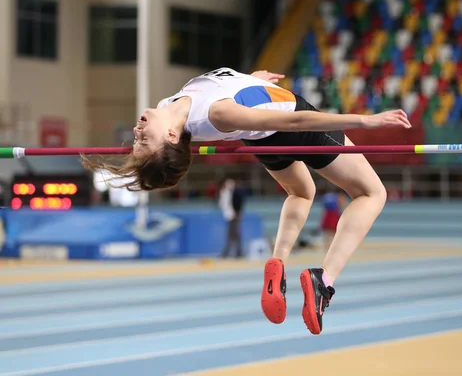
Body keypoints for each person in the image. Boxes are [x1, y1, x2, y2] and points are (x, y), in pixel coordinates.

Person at [82, 67, 411, 335]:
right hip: (291, 121)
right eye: (145, 141)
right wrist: (364, 120)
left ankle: (278, 263)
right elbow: (295, 122)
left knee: (301, 192)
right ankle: (323, 281)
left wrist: (252, 81)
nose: (137, 133)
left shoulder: (171, 103)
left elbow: (222, 86)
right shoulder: (219, 114)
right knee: (372, 193)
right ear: (170, 137)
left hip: (262, 136)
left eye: (137, 141)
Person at [218, 178, 245, 258]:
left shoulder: (235, 193)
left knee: (234, 235)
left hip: (233, 216)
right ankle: (235, 252)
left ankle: (235, 252)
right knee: (233, 235)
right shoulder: (225, 193)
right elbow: (224, 204)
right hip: (230, 216)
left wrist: (237, 213)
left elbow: (238, 203)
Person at [320, 186, 348, 251]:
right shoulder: (339, 196)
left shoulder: (326, 196)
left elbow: (323, 207)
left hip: (328, 214)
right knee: (334, 233)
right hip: (334, 214)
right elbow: (342, 206)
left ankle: (328, 247)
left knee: (329, 233)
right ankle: (333, 247)